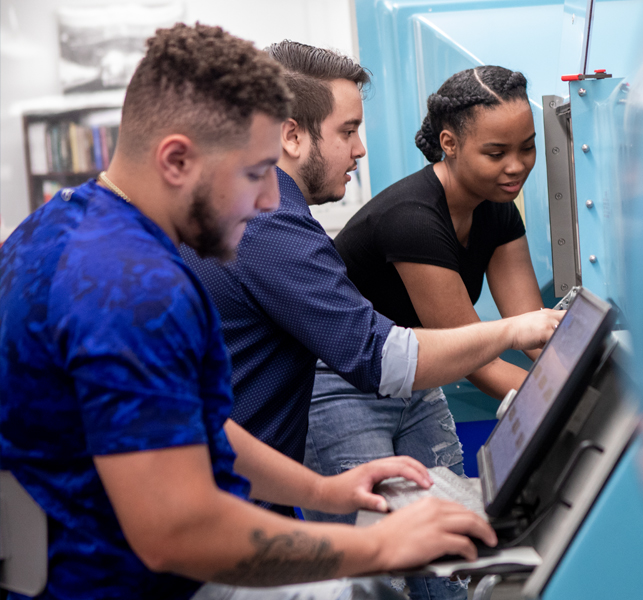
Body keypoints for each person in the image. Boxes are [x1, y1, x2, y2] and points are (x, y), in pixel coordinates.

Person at [0, 24, 501, 600]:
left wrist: (324, 491)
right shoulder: (135, 289)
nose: (269, 202)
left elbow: (190, 425)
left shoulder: (60, 222)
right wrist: (382, 547)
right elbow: (178, 531)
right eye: (256, 174)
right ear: (176, 160)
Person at [180, 44, 560, 514]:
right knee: (383, 562)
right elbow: (380, 357)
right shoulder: (271, 224)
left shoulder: (250, 209)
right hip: (327, 400)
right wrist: (545, 371)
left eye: (528, 148)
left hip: (248, 469)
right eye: (349, 130)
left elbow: (530, 330)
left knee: (442, 543)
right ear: (292, 136)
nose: (360, 148)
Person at [311, 65, 544, 517]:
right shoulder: (413, 218)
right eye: (496, 153)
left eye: (527, 147)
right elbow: (476, 356)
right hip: (342, 381)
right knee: (376, 553)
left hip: (417, 374)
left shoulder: (497, 209)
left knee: (451, 542)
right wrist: (567, 406)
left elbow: (536, 334)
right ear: (449, 144)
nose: (516, 166)